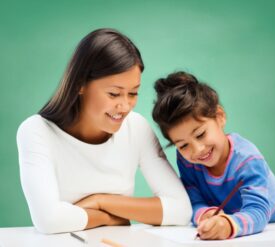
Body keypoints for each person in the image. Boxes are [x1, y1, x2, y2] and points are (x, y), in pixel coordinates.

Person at [16, 29, 192, 234]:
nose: (125, 106)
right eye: (114, 94)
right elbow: (48, 221)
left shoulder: (136, 127)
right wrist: (115, 217)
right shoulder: (37, 131)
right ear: (80, 84)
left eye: (133, 93)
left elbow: (181, 210)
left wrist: (100, 201)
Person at [152, 71, 275, 240]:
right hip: (239, 234)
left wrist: (227, 225)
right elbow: (193, 201)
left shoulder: (248, 160)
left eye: (200, 134)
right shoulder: (187, 161)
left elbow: (258, 211)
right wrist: (204, 215)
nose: (197, 149)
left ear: (220, 117)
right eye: (183, 145)